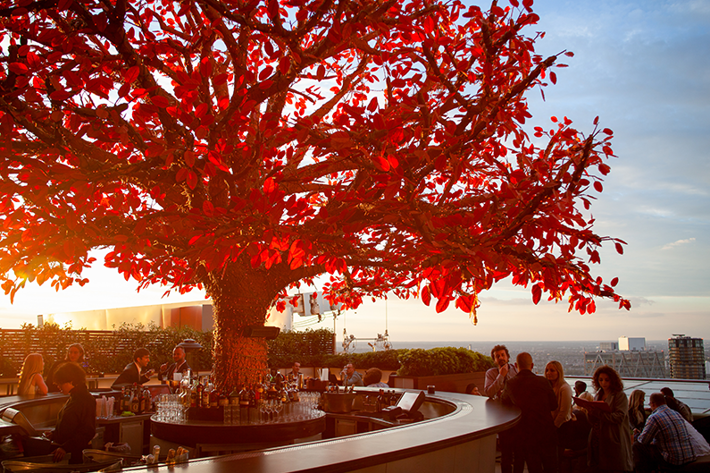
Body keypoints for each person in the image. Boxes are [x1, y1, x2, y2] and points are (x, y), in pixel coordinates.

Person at [502, 352, 558, 473]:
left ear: (516, 365)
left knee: (534, 466)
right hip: (546, 431)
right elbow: (554, 405)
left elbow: (503, 404)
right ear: (532, 365)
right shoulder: (543, 382)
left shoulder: (511, 384)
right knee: (550, 466)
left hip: (525, 434)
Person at [44, 362, 96, 464]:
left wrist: (65, 448)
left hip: (76, 455)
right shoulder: (74, 397)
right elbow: (71, 425)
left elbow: (87, 432)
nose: (59, 386)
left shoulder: (85, 400)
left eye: (61, 383)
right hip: (70, 451)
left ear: (72, 381)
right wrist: (55, 434)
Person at [633, 392, 696, 472]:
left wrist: (636, 435)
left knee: (637, 445)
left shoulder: (654, 417)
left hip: (674, 461)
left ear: (652, 404)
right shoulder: (677, 414)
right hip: (689, 457)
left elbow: (643, 441)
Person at [587, 365, 633, 473]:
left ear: (612, 380)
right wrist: (590, 413)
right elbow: (593, 419)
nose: (603, 383)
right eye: (601, 380)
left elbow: (619, 417)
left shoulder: (619, 396)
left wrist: (598, 413)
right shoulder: (598, 395)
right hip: (598, 436)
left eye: (606, 380)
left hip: (612, 437)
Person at [484, 345, 520, 473]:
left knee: (519, 452)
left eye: (502, 355)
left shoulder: (516, 371)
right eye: (497, 356)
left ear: (508, 357)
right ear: (494, 360)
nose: (500, 358)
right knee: (506, 451)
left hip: (518, 414)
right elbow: (488, 392)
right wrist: (500, 376)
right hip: (502, 416)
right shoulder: (491, 373)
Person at [545, 360, 573, 428]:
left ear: (559, 372)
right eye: (547, 370)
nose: (548, 373)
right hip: (549, 424)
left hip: (562, 426)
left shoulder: (565, 388)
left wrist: (554, 426)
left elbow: (563, 412)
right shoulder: (547, 386)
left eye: (552, 370)